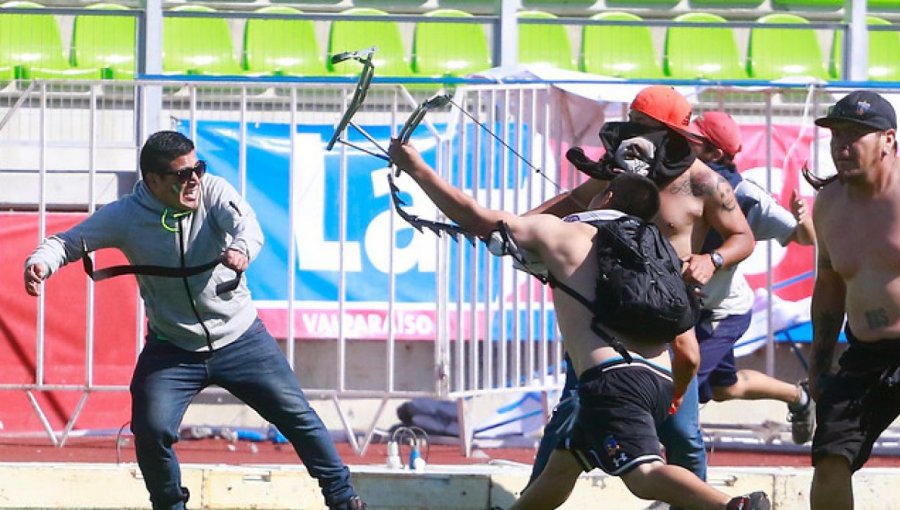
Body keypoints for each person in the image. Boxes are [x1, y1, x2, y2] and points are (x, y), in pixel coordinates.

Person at [388, 138, 770, 510]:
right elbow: (688, 351)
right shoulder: (665, 258)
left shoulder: (566, 233)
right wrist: (674, 396)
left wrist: (418, 169)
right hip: (658, 382)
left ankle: (734, 506)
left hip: (612, 380)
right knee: (563, 467)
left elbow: (474, 216)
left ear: (605, 197)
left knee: (643, 476)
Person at [23, 131, 366, 510]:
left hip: (241, 339)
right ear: (152, 181)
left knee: (299, 418)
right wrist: (39, 263)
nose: (194, 180)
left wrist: (240, 248)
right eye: (181, 174)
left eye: (198, 169)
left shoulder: (215, 191)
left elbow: (248, 226)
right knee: (151, 430)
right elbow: (67, 242)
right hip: (172, 348)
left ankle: (344, 500)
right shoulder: (125, 216)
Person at [526, 85, 756, 488]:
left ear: (672, 134)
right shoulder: (618, 172)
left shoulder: (704, 182)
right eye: (631, 122)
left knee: (681, 431)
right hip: (605, 312)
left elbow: (743, 237)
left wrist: (711, 259)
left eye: (643, 126)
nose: (632, 133)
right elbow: (565, 204)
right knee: (570, 413)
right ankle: (534, 493)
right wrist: (513, 227)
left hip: (664, 318)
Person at [681, 111, 817, 446]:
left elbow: (805, 238)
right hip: (689, 308)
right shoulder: (677, 178)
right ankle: (799, 398)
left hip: (721, 312)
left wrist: (804, 218)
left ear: (714, 154)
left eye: (694, 139)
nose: (685, 141)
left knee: (680, 392)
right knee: (725, 388)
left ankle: (679, 482)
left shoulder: (746, 196)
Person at [807, 90, 900, 509]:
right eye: (835, 135)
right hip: (865, 353)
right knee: (829, 457)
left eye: (854, 135)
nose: (841, 146)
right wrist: (820, 363)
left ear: (888, 140)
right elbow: (829, 286)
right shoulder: (827, 204)